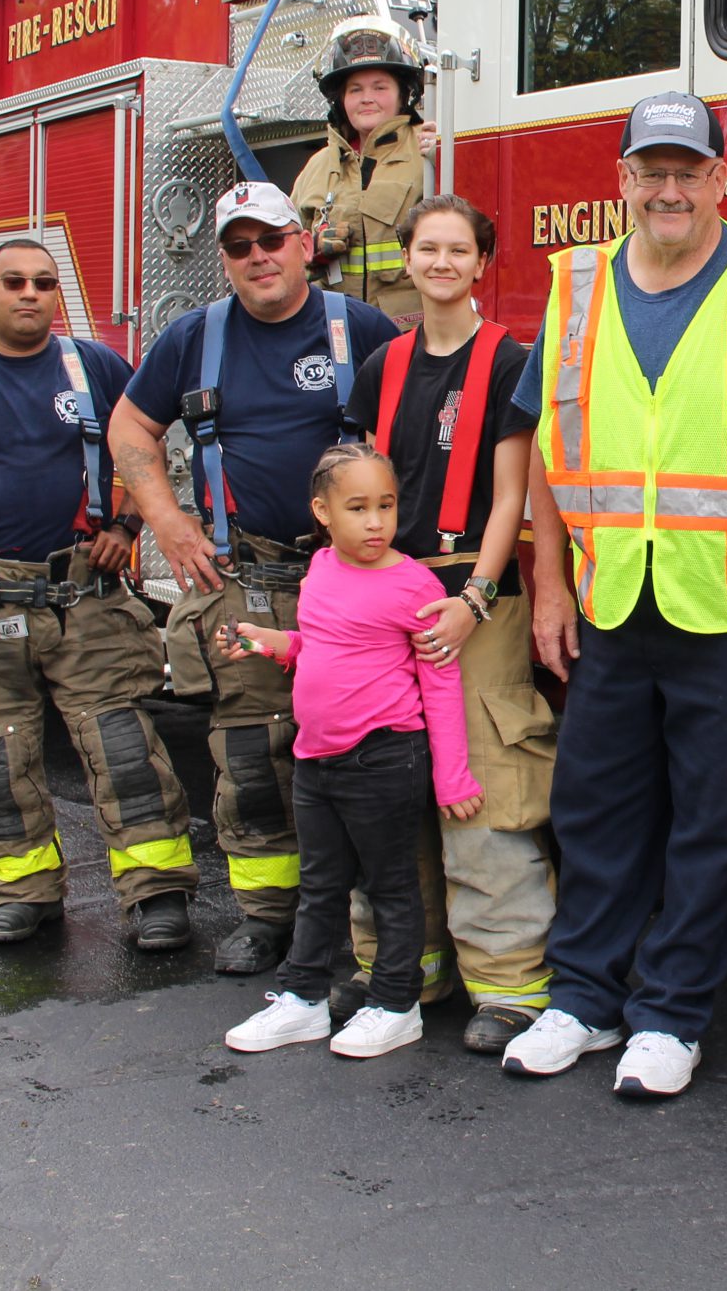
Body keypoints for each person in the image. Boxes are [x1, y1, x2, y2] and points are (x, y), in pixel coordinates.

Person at [497, 91, 727, 1099]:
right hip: (612, 602)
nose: (667, 189)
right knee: (596, 809)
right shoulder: (573, 282)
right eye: (648, 170)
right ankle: (582, 1001)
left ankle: (670, 1017)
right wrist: (551, 583)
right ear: (621, 181)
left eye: (685, 170)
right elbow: (554, 455)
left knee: (708, 821)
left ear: (718, 178)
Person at [108, 180, 403, 975]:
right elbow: (130, 425)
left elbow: (408, 426)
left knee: (366, 750)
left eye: (270, 239)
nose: (258, 256)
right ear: (225, 261)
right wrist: (167, 522)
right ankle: (270, 918)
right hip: (246, 580)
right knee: (252, 755)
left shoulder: (359, 329)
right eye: (239, 246)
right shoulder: (191, 339)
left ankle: (366, 922)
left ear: (303, 242)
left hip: (350, 580)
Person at [0, 240, 197, 949]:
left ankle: (157, 894)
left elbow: (146, 445)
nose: (30, 293)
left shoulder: (98, 368)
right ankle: (22, 894)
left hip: (85, 599)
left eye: (45, 282)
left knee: (123, 749)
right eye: (15, 282)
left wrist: (125, 522)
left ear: (58, 294)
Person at [341, 196, 558, 1053]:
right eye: (426, 247)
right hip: (388, 598)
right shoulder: (379, 369)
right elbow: (358, 494)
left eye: (457, 248)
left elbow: (512, 497)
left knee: (485, 790)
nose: (440, 261)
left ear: (481, 263)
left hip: (476, 601)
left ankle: (510, 984)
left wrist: (474, 598)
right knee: (386, 786)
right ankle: (404, 966)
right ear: (407, 257)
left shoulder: (510, 361)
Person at [221, 443, 483, 1060]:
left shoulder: (412, 583)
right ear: (322, 511)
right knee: (319, 885)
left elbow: (439, 682)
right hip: (315, 758)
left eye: (386, 506)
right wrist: (273, 644)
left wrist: (453, 778)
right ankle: (303, 1000)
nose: (375, 522)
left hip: (384, 756)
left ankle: (396, 1006)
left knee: (391, 887)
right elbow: (318, 644)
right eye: (358, 507)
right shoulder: (320, 569)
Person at [289, 17, 432, 323]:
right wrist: (311, 251)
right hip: (334, 332)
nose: (367, 98)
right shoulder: (317, 167)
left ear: (403, 94)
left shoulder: (428, 152)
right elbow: (283, 254)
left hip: (410, 336)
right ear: (340, 100)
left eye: (380, 87)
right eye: (355, 89)